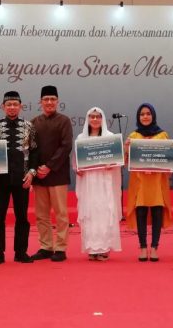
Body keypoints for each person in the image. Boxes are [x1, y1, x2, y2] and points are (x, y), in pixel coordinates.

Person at [0, 91, 38, 265]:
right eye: (8, 104)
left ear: (20, 106)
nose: (12, 107)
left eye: (15, 104)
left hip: (22, 178)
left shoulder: (29, 126)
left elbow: (34, 152)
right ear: (3, 106)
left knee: (22, 217)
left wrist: (32, 172)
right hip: (0, 179)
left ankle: (21, 252)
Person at [30, 85, 73, 262]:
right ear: (40, 102)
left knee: (61, 214)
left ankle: (61, 247)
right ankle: (46, 246)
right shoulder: (34, 122)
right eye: (46, 99)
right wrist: (36, 169)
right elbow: (31, 149)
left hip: (57, 174)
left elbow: (66, 146)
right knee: (41, 215)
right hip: (39, 176)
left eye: (52, 99)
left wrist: (49, 166)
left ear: (57, 101)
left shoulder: (64, 121)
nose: (49, 102)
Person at [124, 103, 171, 262]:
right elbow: (126, 161)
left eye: (148, 113)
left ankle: (155, 247)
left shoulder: (162, 135)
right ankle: (143, 247)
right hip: (140, 182)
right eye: (142, 114)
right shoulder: (133, 136)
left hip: (157, 181)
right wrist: (126, 148)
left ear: (153, 116)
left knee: (157, 212)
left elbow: (169, 159)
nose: (145, 117)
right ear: (138, 117)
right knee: (141, 212)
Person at [74, 107, 122, 261]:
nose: (95, 119)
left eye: (98, 117)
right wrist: (78, 169)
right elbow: (76, 162)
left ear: (103, 119)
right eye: (92, 117)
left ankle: (103, 248)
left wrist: (112, 164)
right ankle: (92, 248)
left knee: (104, 211)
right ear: (88, 119)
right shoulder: (81, 138)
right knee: (90, 212)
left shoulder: (110, 137)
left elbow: (117, 160)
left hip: (104, 181)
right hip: (88, 182)